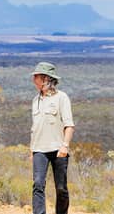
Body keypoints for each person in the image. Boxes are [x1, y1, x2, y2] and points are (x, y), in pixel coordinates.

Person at [30, 62, 75, 214]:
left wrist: (65, 145)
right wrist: (32, 150)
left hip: (58, 149)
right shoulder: (35, 100)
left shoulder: (62, 98)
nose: (33, 80)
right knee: (37, 184)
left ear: (45, 79)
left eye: (36, 77)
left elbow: (69, 125)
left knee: (61, 188)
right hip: (38, 149)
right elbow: (34, 128)